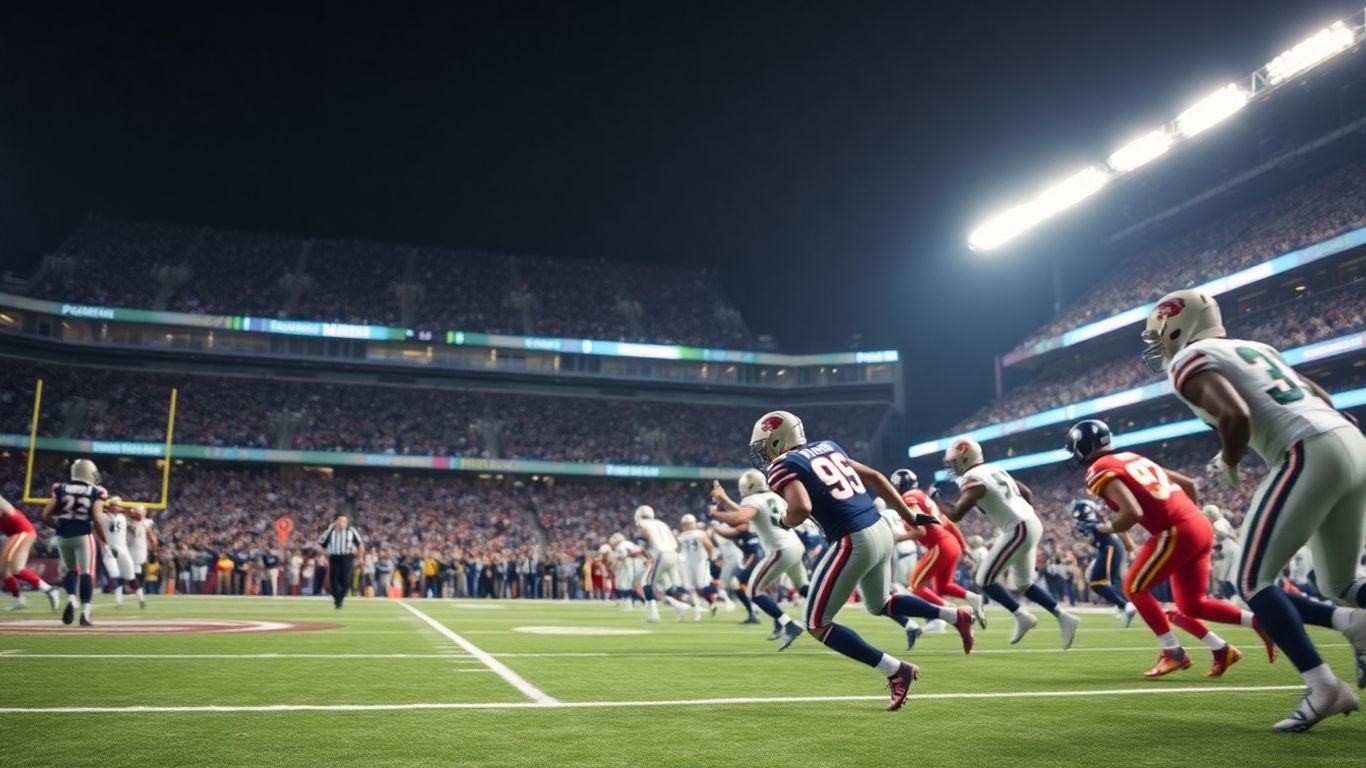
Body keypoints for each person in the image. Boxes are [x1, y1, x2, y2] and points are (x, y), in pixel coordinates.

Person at [1143, 288, 1366, 730]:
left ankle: (1322, 686)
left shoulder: (1189, 359)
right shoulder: (1257, 348)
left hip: (1307, 449)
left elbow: (1236, 415)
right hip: (1350, 442)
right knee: (1340, 582)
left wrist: (1228, 459)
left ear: (1174, 324)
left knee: (1249, 579)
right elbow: (1324, 398)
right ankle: (1354, 624)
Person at [750, 410, 970, 712]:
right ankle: (954, 616)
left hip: (853, 537)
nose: (764, 453)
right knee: (879, 603)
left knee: (816, 623)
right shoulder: (828, 447)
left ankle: (895, 670)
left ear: (777, 440)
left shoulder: (782, 465)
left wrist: (785, 523)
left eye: (765, 445)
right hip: (879, 529)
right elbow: (877, 478)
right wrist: (909, 517)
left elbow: (800, 507)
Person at [1066, 419, 1275, 679]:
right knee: (1192, 605)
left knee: (1134, 587)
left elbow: (1132, 513)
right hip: (1197, 524)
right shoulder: (1131, 457)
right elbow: (1189, 484)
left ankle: (1173, 653)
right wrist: (1191, 517)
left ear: (1083, 445)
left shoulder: (1099, 468)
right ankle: (1245, 632)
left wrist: (1105, 528)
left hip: (1176, 529)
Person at [938, 438, 1081, 648]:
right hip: (1030, 523)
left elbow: (957, 514)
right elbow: (1027, 493)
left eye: (955, 462)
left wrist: (936, 500)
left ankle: (1022, 615)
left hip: (1018, 528)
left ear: (966, 458)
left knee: (984, 579)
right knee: (1024, 583)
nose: (953, 467)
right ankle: (1063, 617)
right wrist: (1024, 514)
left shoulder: (972, 477)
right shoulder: (995, 470)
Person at [710, 471, 810, 646]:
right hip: (795, 545)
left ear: (749, 486)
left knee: (754, 591)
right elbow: (747, 513)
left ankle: (788, 624)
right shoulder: (773, 497)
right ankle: (828, 611)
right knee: (803, 587)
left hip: (780, 549)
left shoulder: (752, 501)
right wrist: (725, 499)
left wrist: (716, 514)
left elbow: (741, 518)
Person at [891, 469, 986, 630]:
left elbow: (921, 530)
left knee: (916, 586)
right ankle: (972, 598)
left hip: (938, 545)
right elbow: (949, 524)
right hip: (950, 543)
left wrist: (898, 537)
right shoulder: (924, 498)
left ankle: (951, 613)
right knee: (942, 587)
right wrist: (963, 546)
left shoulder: (909, 498)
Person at [40, 458, 108, 626]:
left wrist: (58, 526)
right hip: (84, 534)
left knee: (71, 570)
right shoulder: (97, 491)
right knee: (86, 573)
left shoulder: (60, 488)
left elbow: (45, 515)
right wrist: (104, 541)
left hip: (64, 536)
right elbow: (98, 518)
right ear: (88, 473)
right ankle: (85, 614)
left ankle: (71, 598)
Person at [1069, 499, 1136, 625]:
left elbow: (1108, 529)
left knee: (1096, 582)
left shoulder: (1095, 523)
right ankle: (1123, 607)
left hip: (1109, 547)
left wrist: (1101, 526)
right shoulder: (1093, 522)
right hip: (1109, 547)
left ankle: (1125, 604)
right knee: (1114, 581)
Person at [1, 495, 61, 611]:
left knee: (14, 568)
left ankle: (50, 589)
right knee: (6, 571)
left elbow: (10, 511)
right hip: (19, 533)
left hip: (22, 530)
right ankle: (19, 600)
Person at [635, 505, 688, 623]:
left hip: (660, 554)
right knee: (663, 585)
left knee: (646, 583)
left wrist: (646, 555)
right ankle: (678, 605)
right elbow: (675, 541)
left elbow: (644, 536)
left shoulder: (643, 524)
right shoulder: (662, 523)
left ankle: (654, 614)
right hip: (672, 554)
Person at [318, 515, 364, 609]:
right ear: (336, 522)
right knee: (333, 580)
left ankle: (339, 598)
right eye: (341, 521)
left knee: (346, 580)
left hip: (347, 557)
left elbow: (360, 544)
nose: (343, 523)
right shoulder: (330, 530)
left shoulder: (351, 531)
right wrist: (323, 556)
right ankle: (338, 598)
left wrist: (360, 557)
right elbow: (320, 543)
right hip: (334, 557)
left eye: (345, 521)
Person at [99, 498, 138, 607]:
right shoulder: (104, 516)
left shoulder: (122, 518)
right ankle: (114, 595)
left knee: (123, 573)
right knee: (114, 573)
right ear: (110, 506)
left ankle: (119, 595)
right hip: (108, 548)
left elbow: (132, 527)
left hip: (120, 548)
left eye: (118, 506)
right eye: (115, 506)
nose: (117, 508)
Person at [675, 514, 712, 621]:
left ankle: (712, 602)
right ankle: (698, 608)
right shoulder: (699, 533)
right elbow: (709, 546)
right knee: (695, 586)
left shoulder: (682, 536)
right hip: (696, 562)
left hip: (692, 562)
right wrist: (710, 556)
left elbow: (678, 550)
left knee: (698, 586)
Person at [125, 505, 156, 608]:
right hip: (128, 548)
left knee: (135, 571)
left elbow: (152, 537)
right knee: (132, 572)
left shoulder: (145, 523)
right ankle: (136, 590)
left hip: (139, 549)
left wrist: (153, 546)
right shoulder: (125, 520)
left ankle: (136, 590)